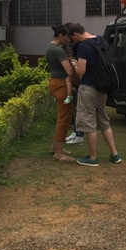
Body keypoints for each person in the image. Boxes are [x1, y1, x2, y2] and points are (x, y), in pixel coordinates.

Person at [67, 22, 121, 167]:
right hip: (102, 88)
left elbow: (81, 71)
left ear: (75, 34)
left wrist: (74, 64)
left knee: (89, 123)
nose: (73, 41)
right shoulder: (101, 40)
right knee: (104, 121)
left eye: (73, 38)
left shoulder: (84, 46)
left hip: (88, 88)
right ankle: (115, 154)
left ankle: (92, 158)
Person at [45, 24, 77, 162]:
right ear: (60, 35)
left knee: (62, 117)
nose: (68, 40)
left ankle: (56, 147)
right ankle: (58, 153)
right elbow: (69, 71)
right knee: (64, 119)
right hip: (61, 84)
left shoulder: (49, 47)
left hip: (54, 82)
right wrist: (73, 63)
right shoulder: (58, 50)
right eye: (66, 37)